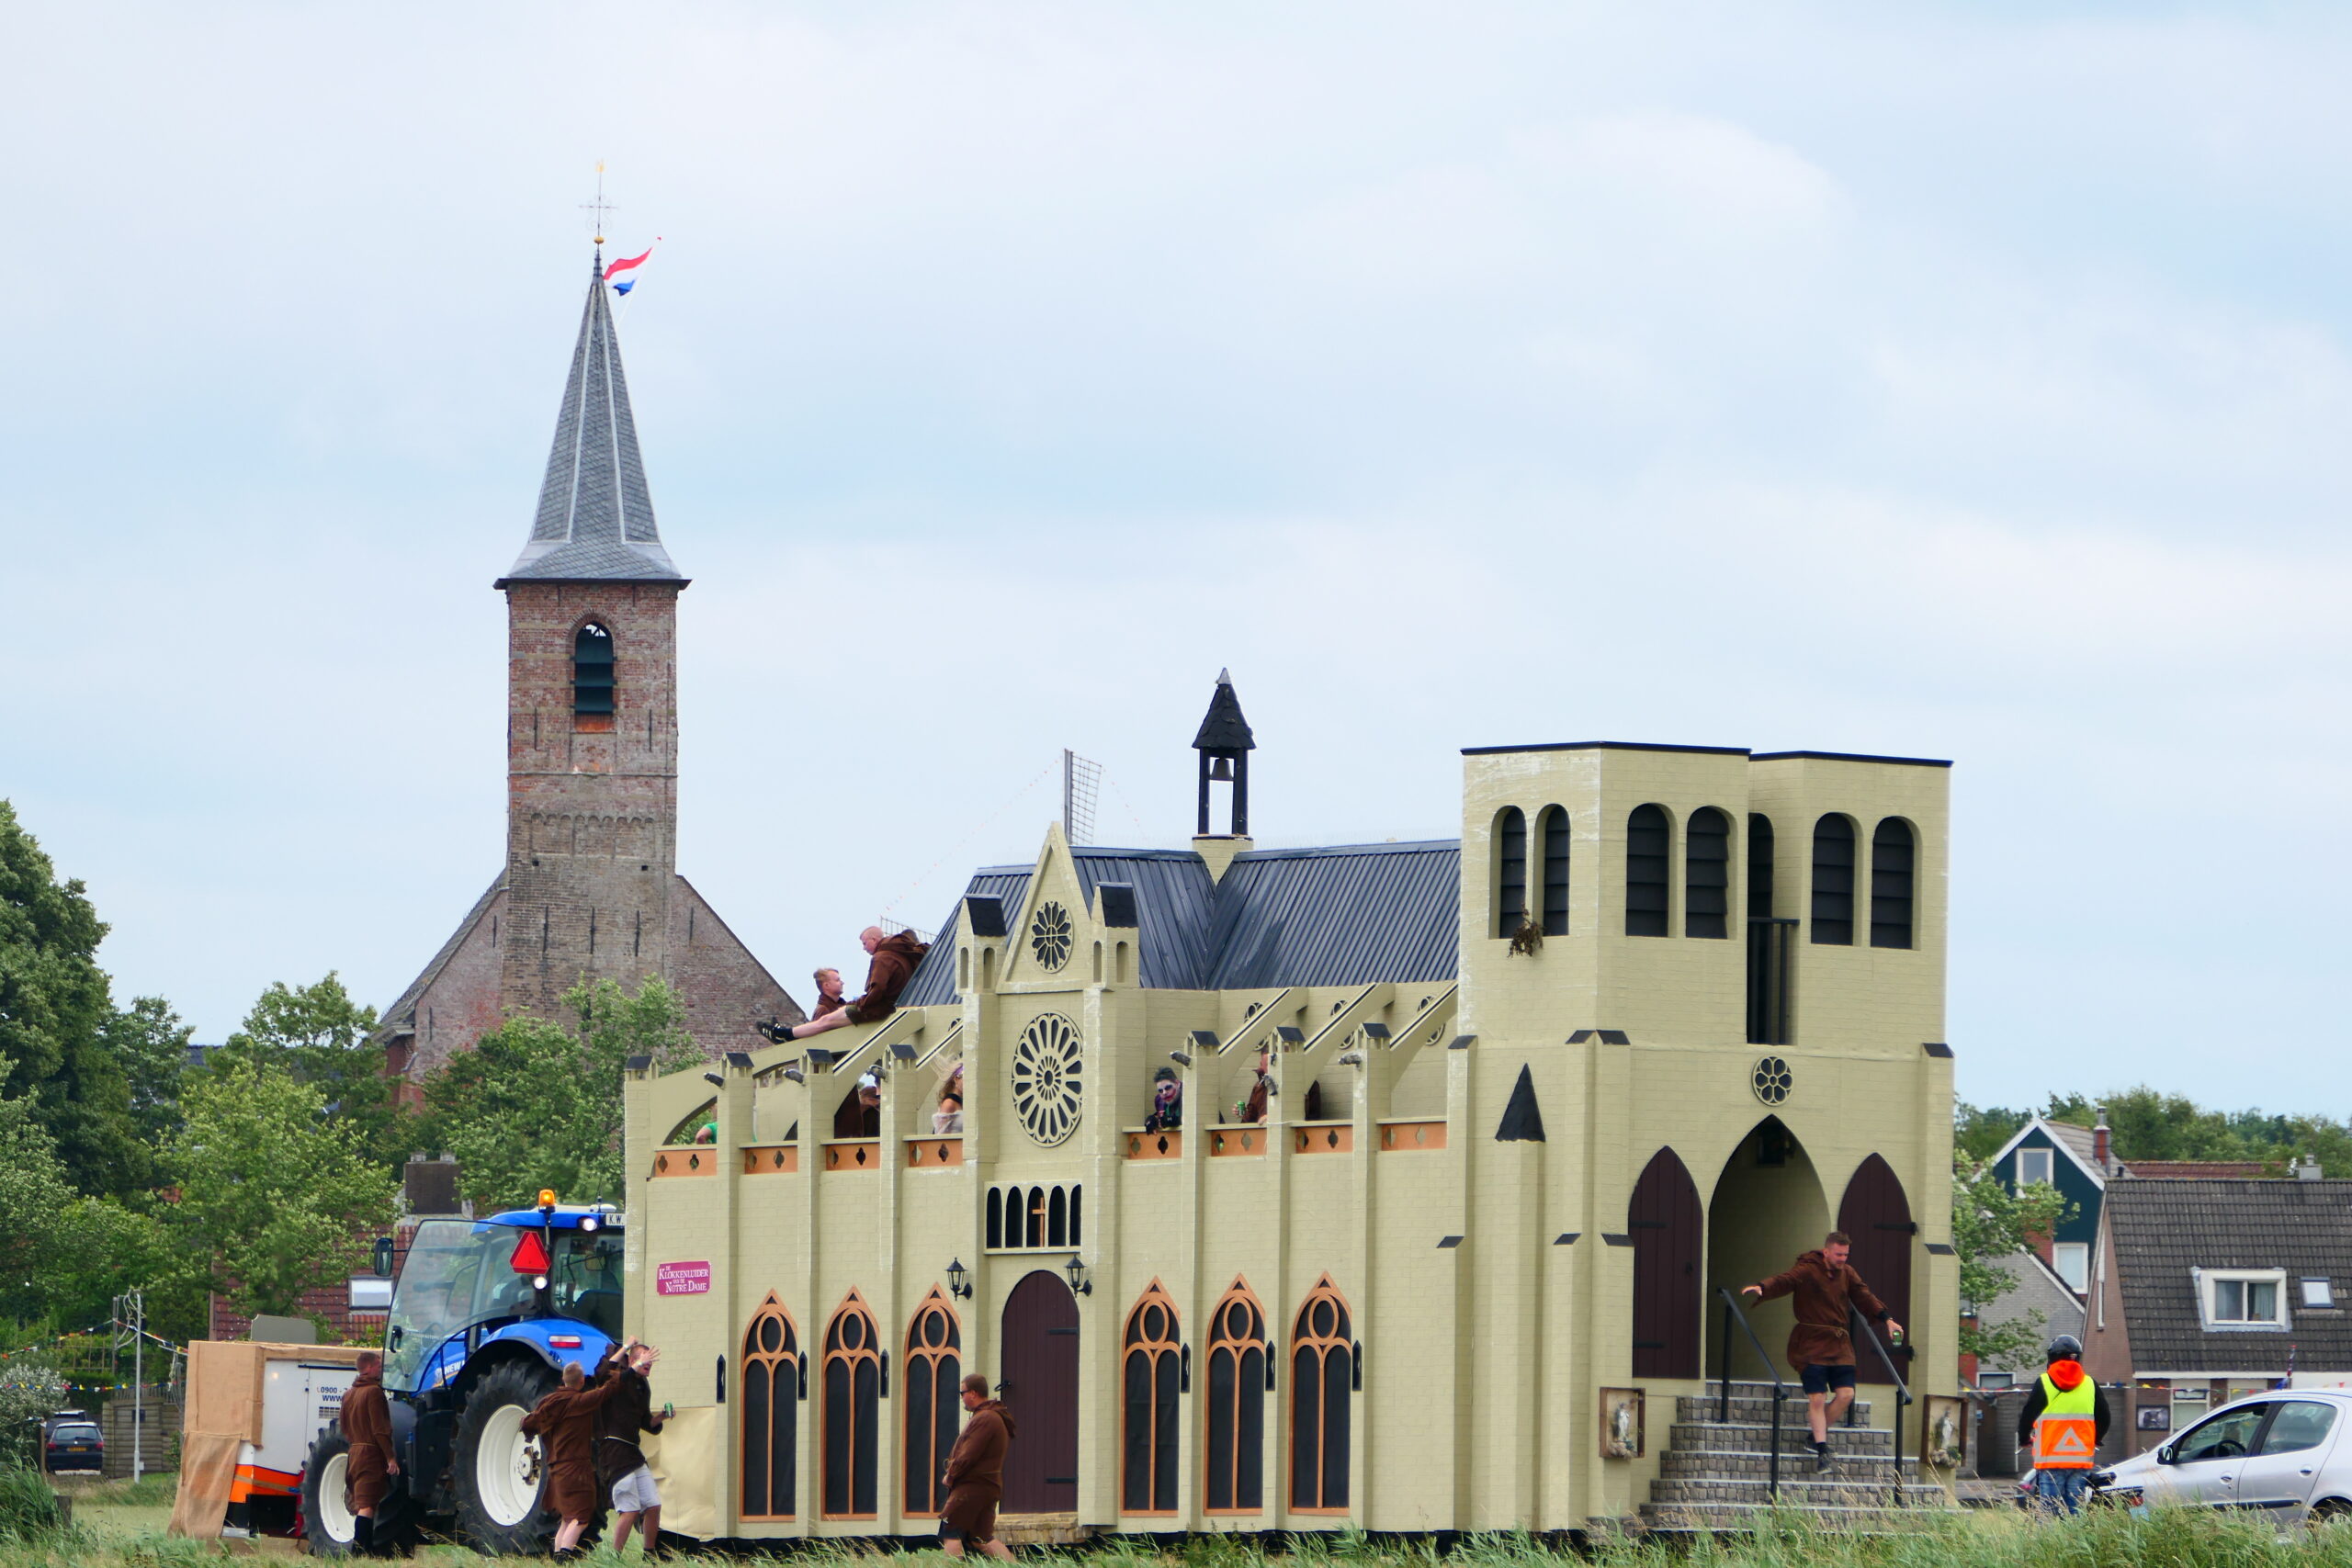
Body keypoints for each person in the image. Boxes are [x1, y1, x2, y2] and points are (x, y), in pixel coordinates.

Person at [1741, 1231, 1903, 1472]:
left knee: (1846, 1395)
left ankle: (1814, 1437)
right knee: (1817, 1398)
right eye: (1838, 1254)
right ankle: (1822, 1448)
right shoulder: (1808, 1269)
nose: (1842, 1259)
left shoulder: (1847, 1273)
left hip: (1839, 1344)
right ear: (1826, 1251)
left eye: (1845, 1255)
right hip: (1811, 1343)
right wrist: (1763, 1287)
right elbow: (1786, 1279)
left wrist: (1887, 1320)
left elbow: (1864, 1296)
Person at [520, 1355, 626, 1559]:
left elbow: (529, 1423)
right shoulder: (580, 1401)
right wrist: (625, 1366)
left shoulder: (549, 1402)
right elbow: (608, 1390)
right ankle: (564, 1558)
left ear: (563, 1379)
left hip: (556, 1469)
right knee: (581, 1518)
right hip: (577, 1469)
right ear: (581, 1381)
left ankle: (558, 1556)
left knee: (567, 1519)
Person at [764, 928, 930, 1042]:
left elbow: (878, 987)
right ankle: (784, 1032)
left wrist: (863, 1004)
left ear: (874, 939)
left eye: (865, 943)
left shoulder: (882, 957)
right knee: (829, 1019)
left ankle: (784, 1034)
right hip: (891, 1007)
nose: (864, 948)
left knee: (826, 1021)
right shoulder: (905, 955)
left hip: (876, 1009)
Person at [2016, 1334, 2109, 1515]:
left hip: (2051, 1461)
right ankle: (2074, 1542)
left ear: (2051, 1357)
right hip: (2080, 1462)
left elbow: (2027, 1415)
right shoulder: (2090, 1384)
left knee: (2050, 1514)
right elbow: (2105, 1417)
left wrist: (2024, 1438)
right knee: (2076, 1513)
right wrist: (2096, 1439)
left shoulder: (2043, 1383)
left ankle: (2052, 1543)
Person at [594, 1339, 668, 1555]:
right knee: (630, 1509)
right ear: (633, 1360)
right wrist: (627, 1348)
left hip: (633, 1454)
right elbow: (603, 1373)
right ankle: (615, 1556)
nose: (650, 1363)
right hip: (614, 1452)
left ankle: (650, 1553)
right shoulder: (617, 1379)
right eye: (646, 1359)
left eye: (651, 1361)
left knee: (653, 1505)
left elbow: (647, 1423)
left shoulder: (642, 1386)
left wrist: (661, 1417)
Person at [939, 1372, 1016, 1561]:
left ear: (973, 1393)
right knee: (982, 1539)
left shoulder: (985, 1418)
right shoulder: (993, 1417)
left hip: (971, 1486)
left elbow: (968, 1454)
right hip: (987, 1486)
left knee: (950, 1534)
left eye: (962, 1392)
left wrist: (951, 1475)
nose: (961, 1397)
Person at [338, 1349, 400, 1557]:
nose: (381, 1369)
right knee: (367, 1505)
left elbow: (344, 1426)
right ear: (370, 1366)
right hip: (370, 1453)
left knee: (364, 1502)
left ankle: (366, 1549)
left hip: (354, 1451)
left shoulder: (349, 1394)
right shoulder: (374, 1392)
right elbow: (380, 1429)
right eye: (379, 1366)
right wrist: (390, 1457)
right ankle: (359, 1551)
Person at [1239, 1046, 1272, 1124]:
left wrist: (1270, 1117)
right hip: (1261, 1134)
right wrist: (1243, 1112)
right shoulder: (1258, 1087)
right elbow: (1250, 1118)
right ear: (1261, 1065)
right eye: (1268, 1065)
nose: (1272, 1068)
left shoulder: (1291, 1086)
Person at [1144, 1066, 1182, 1132]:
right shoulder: (1159, 1100)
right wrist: (1154, 1120)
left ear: (1177, 1083)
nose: (1164, 1093)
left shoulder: (1189, 1095)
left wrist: (1172, 1121)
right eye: (1160, 1091)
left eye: (1168, 1088)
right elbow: (1162, 1116)